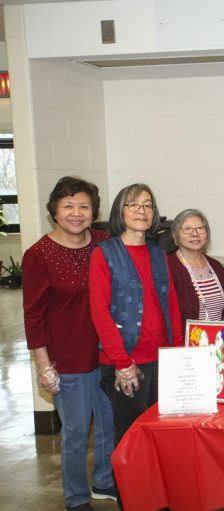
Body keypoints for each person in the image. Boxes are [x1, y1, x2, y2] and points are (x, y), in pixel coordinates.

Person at [22, 177, 116, 511]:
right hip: (67, 359)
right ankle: (75, 498)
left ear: (94, 211)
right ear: (54, 211)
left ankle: (105, 482)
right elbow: (33, 317)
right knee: (76, 433)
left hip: (107, 353)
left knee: (109, 423)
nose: (76, 213)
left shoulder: (104, 243)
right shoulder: (39, 255)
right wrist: (44, 366)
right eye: (68, 205)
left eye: (84, 205)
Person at [89, 183, 183, 445]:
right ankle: (129, 489)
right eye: (134, 204)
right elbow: (99, 313)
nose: (142, 211)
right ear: (121, 210)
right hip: (127, 363)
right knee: (132, 443)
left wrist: (177, 352)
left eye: (148, 205)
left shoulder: (158, 252)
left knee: (162, 437)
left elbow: (171, 303)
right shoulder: (104, 254)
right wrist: (122, 362)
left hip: (162, 360)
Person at [168, 209, 224, 332]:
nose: (195, 234)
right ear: (175, 235)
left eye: (200, 228)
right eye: (187, 229)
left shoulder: (216, 267)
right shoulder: (168, 267)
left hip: (220, 344)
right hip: (186, 347)